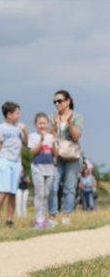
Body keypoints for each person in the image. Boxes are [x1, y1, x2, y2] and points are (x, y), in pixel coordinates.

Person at [0, 101, 27, 227]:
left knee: (12, 192)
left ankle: (10, 220)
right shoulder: (1, 127)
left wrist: (25, 131)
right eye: (17, 113)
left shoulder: (19, 127)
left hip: (17, 162)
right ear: (9, 115)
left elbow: (26, 143)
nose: (19, 115)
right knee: (3, 191)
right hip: (5, 160)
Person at [51, 90, 84, 225]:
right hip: (57, 155)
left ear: (68, 101)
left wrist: (69, 123)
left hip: (72, 156)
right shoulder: (52, 116)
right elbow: (50, 136)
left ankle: (66, 216)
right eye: (55, 101)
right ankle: (52, 216)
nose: (57, 103)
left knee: (70, 187)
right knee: (53, 186)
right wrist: (54, 124)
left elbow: (76, 136)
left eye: (59, 101)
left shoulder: (77, 116)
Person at [28, 112, 56, 228]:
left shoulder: (51, 137)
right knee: (39, 194)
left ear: (48, 124)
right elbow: (32, 152)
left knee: (46, 194)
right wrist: (42, 139)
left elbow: (56, 154)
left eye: (44, 123)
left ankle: (44, 219)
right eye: (40, 123)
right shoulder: (33, 136)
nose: (42, 126)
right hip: (37, 168)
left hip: (49, 169)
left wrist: (54, 144)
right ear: (35, 124)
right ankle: (38, 219)